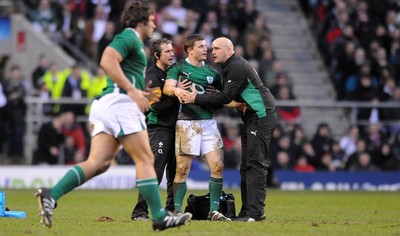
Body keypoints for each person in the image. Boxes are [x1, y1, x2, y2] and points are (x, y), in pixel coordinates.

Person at [35, 1, 192, 231]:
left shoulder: (136, 43)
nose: (155, 23)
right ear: (140, 22)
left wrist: (140, 92)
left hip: (108, 104)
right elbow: (107, 60)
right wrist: (131, 91)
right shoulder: (129, 37)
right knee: (145, 159)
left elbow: (123, 72)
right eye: (151, 20)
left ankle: (52, 193)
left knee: (99, 163)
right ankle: (159, 216)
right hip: (120, 104)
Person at [182, 37, 277, 222]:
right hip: (252, 117)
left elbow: (225, 97)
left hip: (261, 115)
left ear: (229, 50)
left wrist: (197, 99)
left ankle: (256, 213)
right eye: (212, 48)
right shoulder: (230, 67)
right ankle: (247, 212)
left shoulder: (237, 66)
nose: (212, 51)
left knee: (255, 164)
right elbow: (225, 97)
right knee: (246, 166)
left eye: (217, 48)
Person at [163, 34, 230, 221]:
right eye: (201, 46)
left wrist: (237, 104)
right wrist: (176, 89)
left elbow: (222, 97)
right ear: (190, 50)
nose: (206, 49)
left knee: (217, 165)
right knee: (182, 169)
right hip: (186, 123)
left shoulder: (213, 74)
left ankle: (214, 211)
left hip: (208, 122)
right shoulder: (179, 68)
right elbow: (167, 88)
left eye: (205, 46)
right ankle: (176, 211)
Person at [131, 38, 190, 221]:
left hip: (176, 128)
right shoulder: (151, 76)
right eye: (167, 52)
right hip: (159, 128)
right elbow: (156, 107)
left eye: (172, 51)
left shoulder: (174, 74)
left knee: (175, 171)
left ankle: (171, 209)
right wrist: (176, 93)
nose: (172, 54)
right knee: (155, 170)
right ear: (157, 55)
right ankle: (140, 212)